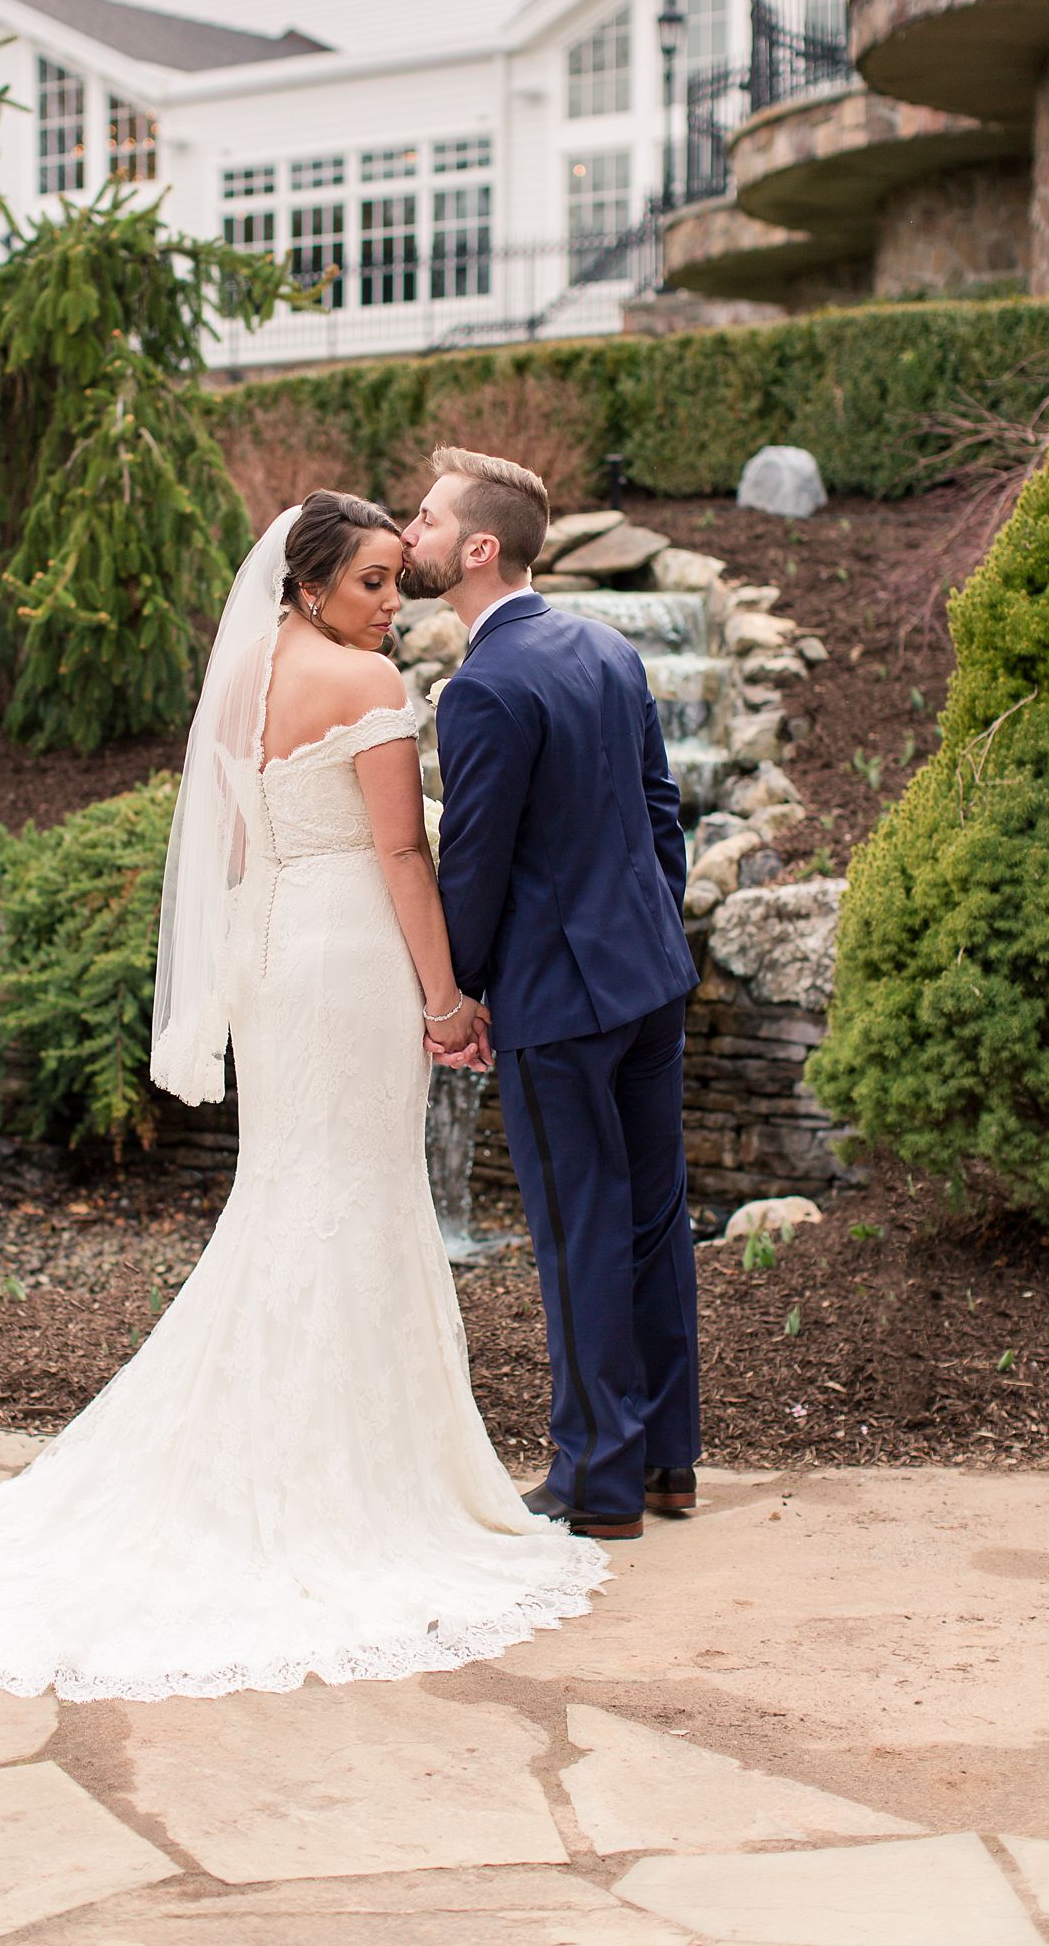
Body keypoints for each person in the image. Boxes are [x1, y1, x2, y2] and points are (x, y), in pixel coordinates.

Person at [0, 490, 607, 1702]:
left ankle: (257, 1455)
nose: (392, 606)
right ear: (309, 581)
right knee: (353, 1195)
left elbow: (238, 846)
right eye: (371, 584)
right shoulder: (370, 691)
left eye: (398, 581)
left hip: (273, 959)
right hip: (348, 961)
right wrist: (445, 1003)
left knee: (290, 1192)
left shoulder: (248, 677)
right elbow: (396, 854)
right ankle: (347, 1487)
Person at [402, 448, 702, 1540]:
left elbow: (470, 863)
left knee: (578, 1232)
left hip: (556, 1003)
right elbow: (659, 809)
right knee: (649, 1225)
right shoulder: (603, 645)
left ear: (479, 549)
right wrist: (648, 928)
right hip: (646, 980)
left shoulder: (481, 686)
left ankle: (595, 1481)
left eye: (426, 521)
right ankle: (667, 1465)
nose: (410, 535)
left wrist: (460, 993)